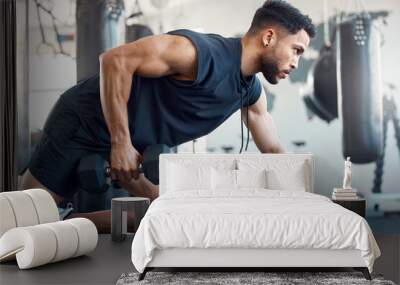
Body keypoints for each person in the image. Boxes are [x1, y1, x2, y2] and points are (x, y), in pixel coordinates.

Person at [20, 0, 315, 230]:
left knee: (166, 210)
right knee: (26, 219)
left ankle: (72, 222)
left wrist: (304, 197)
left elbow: (274, 149)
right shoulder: (200, 53)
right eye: (296, 50)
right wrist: (120, 143)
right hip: (83, 122)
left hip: (133, 146)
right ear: (269, 37)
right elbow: (114, 60)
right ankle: (55, 220)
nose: (296, 62)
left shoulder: (250, 91)